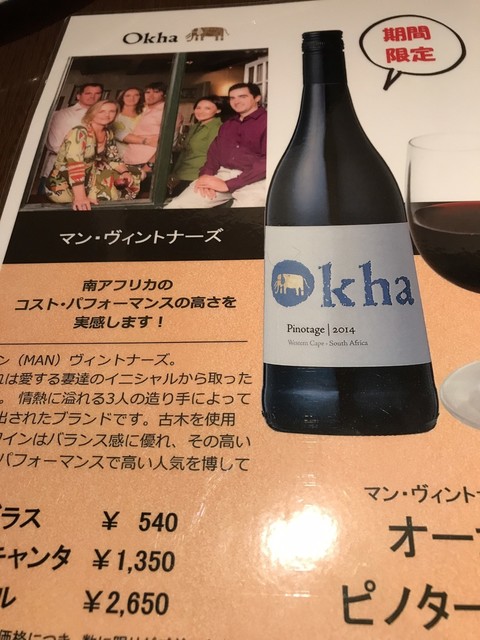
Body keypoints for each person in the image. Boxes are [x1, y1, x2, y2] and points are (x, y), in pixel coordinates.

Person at [164, 82, 267, 209]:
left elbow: (267, 162)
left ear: (257, 98)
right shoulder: (228, 125)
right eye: (232, 98)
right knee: (176, 206)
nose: (236, 101)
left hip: (255, 179)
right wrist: (206, 176)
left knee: (244, 214)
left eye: (242, 97)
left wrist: (229, 185)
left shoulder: (268, 121)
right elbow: (214, 154)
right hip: (224, 174)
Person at [45, 99, 142, 210]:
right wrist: (80, 197)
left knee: (134, 174)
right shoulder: (80, 132)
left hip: (91, 175)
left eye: (112, 111)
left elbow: (113, 158)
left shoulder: (108, 133)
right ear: (92, 113)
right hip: (65, 180)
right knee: (96, 200)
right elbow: (75, 164)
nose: (107, 115)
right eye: (101, 111)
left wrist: (125, 172)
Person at [41, 83, 103, 182]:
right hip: (61, 171)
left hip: (91, 173)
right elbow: (54, 145)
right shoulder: (63, 114)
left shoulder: (104, 116)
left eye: (97, 93)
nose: (92, 97)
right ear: (78, 96)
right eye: (88, 93)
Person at [167, 95, 223, 198]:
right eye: (198, 108)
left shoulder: (217, 127)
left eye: (207, 108)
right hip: (182, 174)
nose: (201, 111)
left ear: (218, 110)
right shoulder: (195, 127)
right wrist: (174, 173)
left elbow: (214, 156)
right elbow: (184, 153)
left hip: (197, 175)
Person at [112, 86, 145, 158]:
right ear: (122, 98)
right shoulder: (114, 115)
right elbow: (117, 134)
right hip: (120, 154)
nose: (132, 98)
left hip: (142, 152)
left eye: (136, 95)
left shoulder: (144, 114)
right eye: (128, 95)